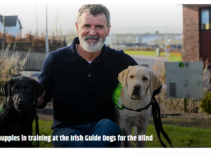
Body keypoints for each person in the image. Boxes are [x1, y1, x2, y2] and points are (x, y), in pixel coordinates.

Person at [37, 4, 138, 147]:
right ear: (77, 27)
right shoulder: (56, 60)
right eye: (87, 26)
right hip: (67, 130)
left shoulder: (120, 61)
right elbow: (40, 99)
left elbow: (150, 83)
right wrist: (30, 95)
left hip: (106, 129)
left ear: (108, 30)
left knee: (107, 125)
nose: (92, 32)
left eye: (99, 27)